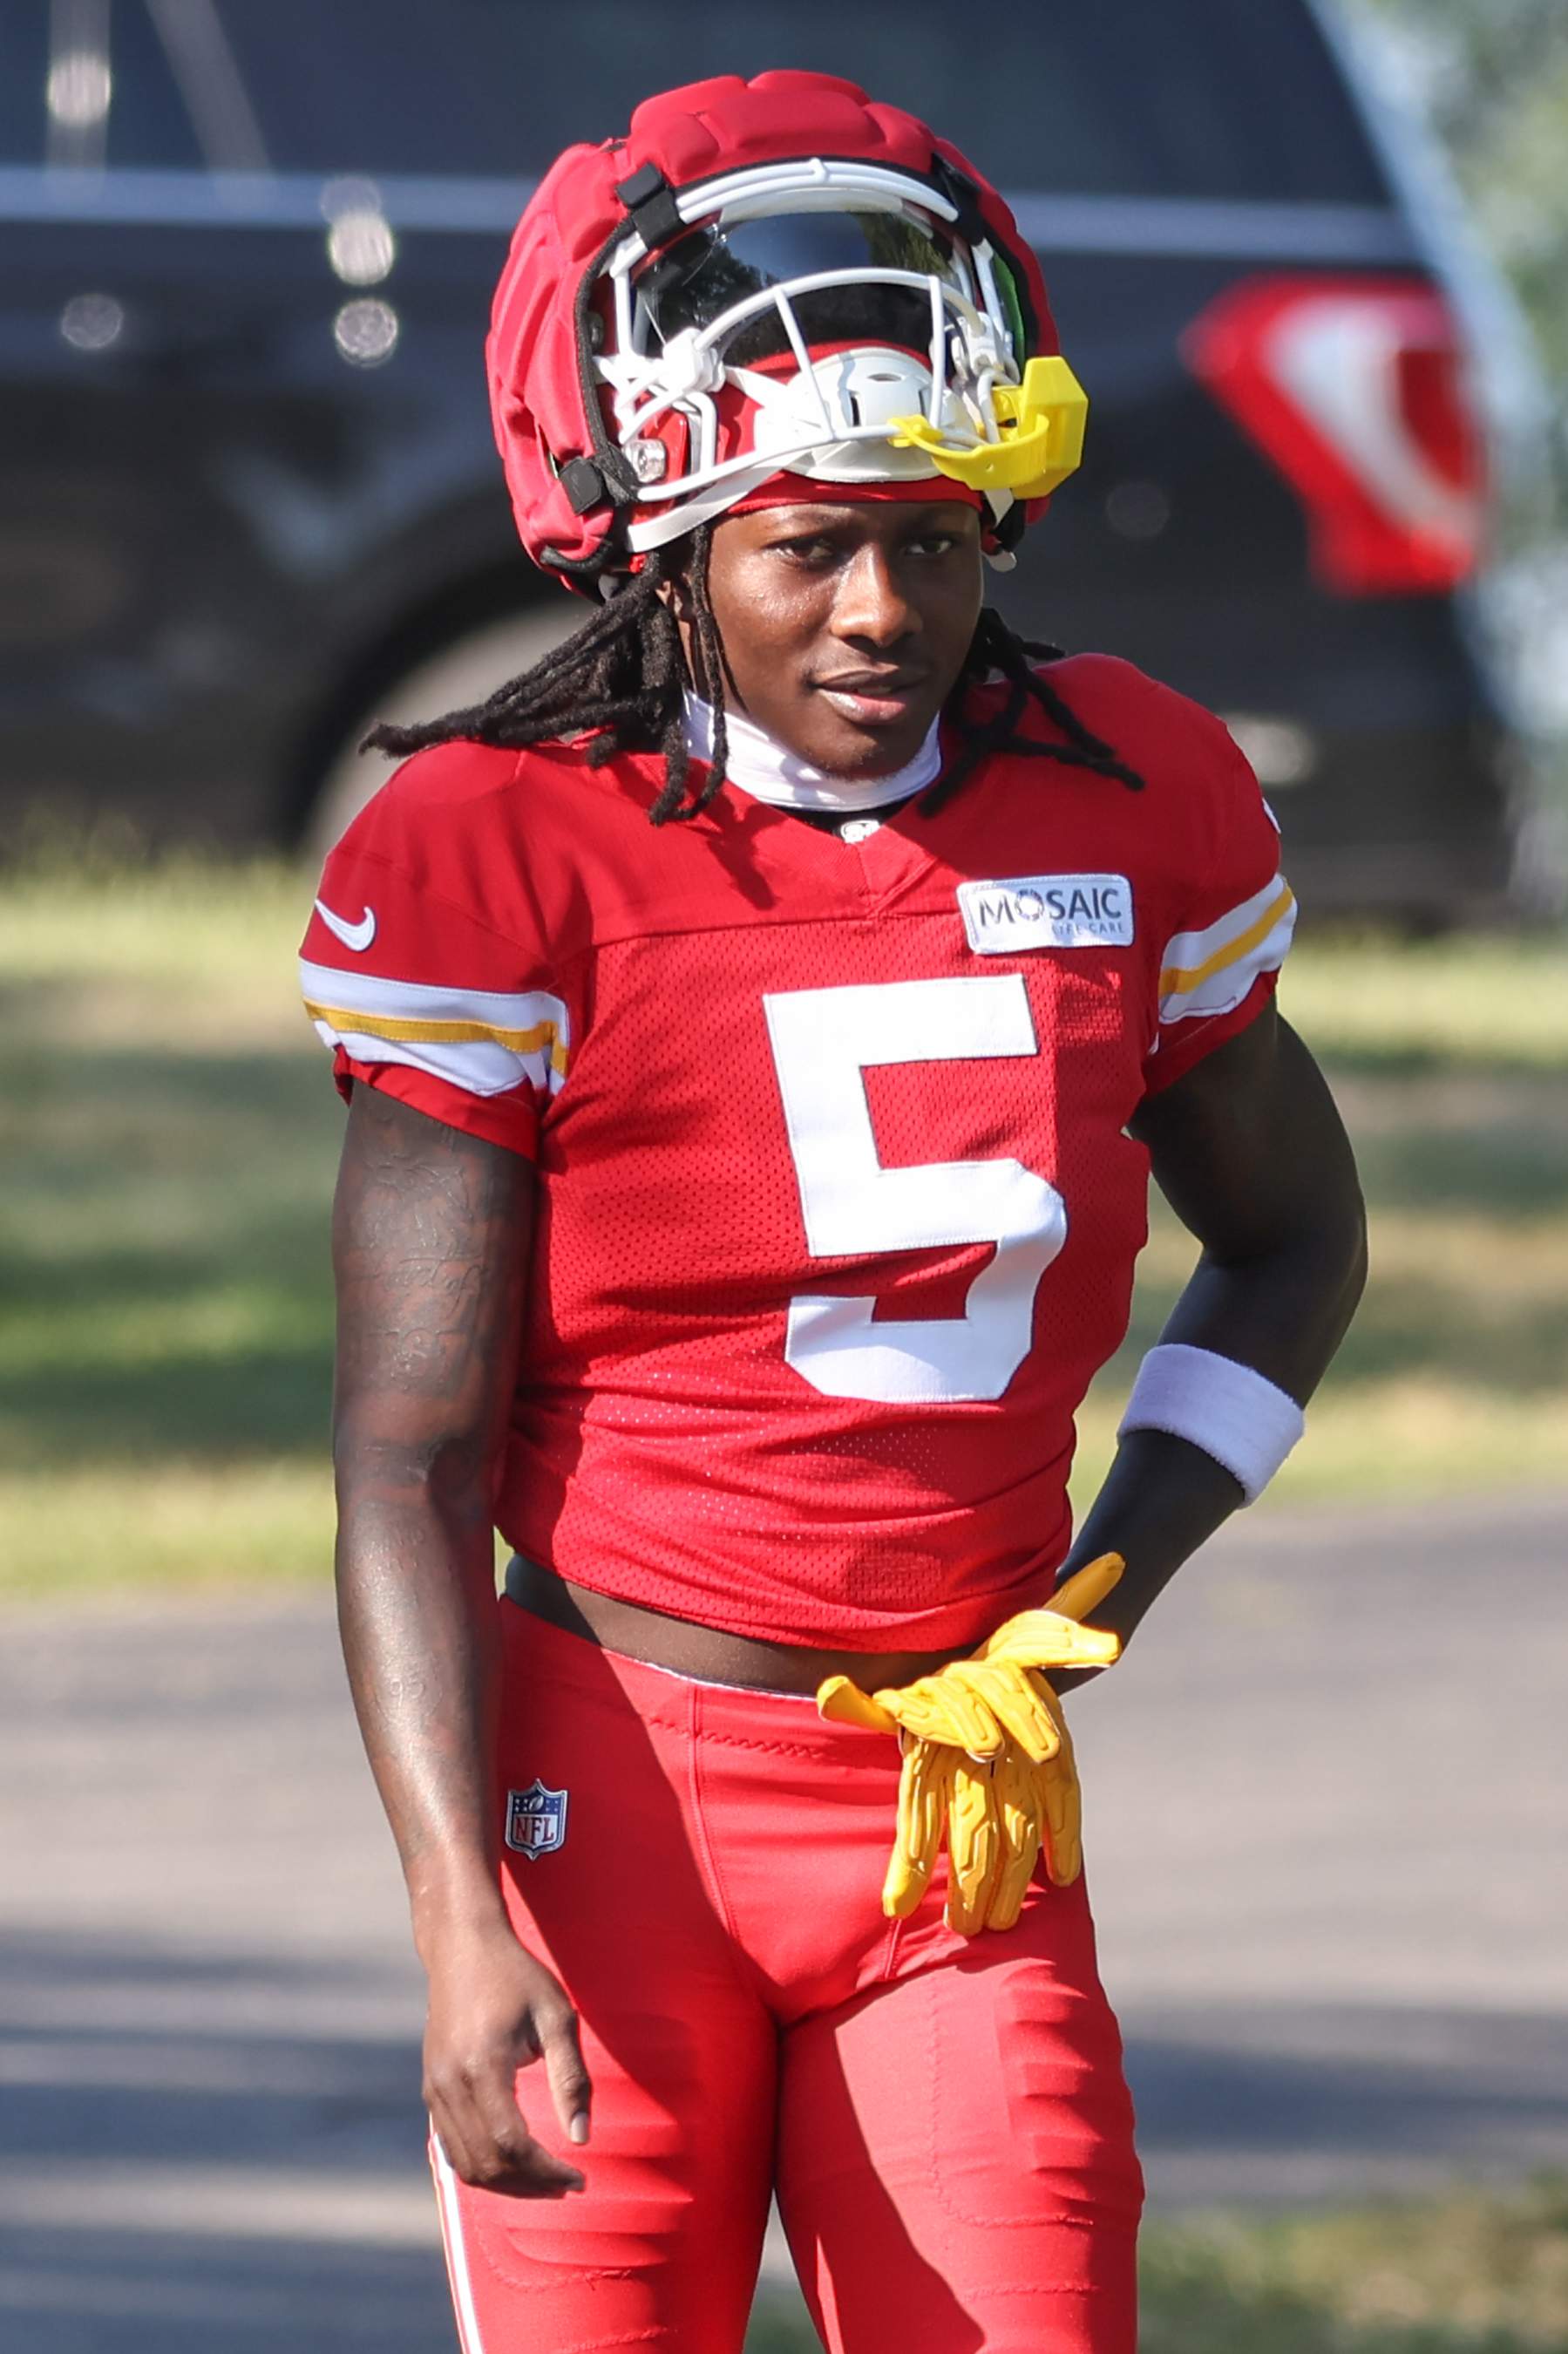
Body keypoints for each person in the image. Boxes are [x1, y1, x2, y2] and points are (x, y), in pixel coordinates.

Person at [301, 70, 1366, 2354]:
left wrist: (1109, 1575)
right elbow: (403, 1444)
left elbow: (1294, 1236)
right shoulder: (507, 844)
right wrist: (451, 1912)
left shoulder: (1134, 795)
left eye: (937, 535)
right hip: (618, 1776)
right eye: (809, 542)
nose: (887, 604)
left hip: (962, 1811)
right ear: (665, 546)